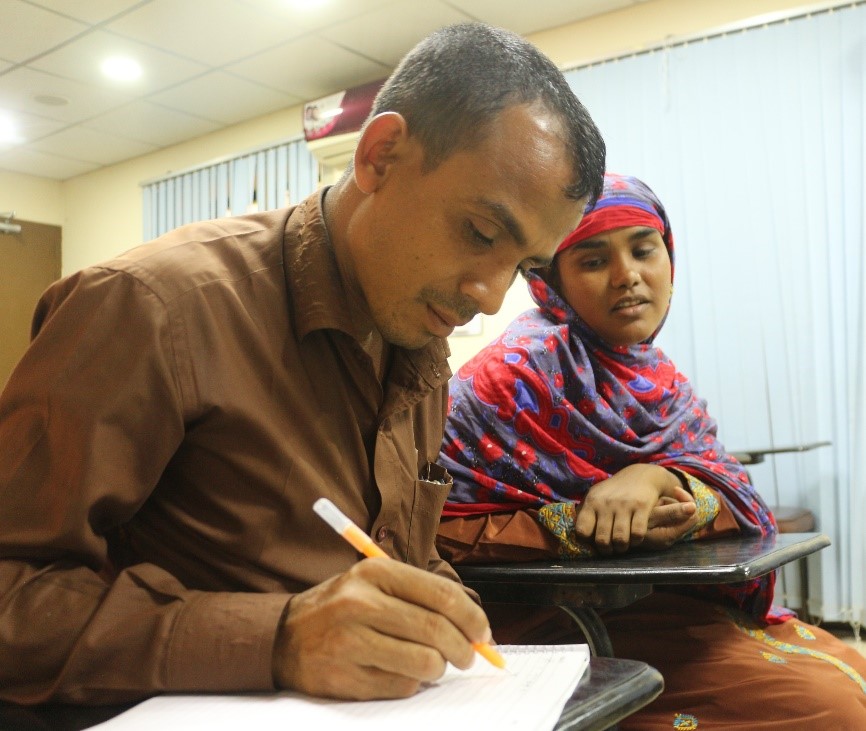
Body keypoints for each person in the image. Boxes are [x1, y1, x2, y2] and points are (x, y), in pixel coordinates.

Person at [0, 23, 606, 705]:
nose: (490, 297)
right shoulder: (152, 308)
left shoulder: (418, 341)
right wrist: (278, 637)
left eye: (522, 268)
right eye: (481, 233)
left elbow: (396, 551)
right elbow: (11, 592)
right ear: (380, 155)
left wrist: (436, 605)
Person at [437, 173, 866, 728]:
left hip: (665, 602)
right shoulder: (511, 376)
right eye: (592, 261)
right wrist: (582, 525)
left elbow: (733, 492)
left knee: (849, 671)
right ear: (552, 281)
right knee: (827, 710)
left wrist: (661, 481)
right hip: (547, 623)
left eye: (644, 250)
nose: (628, 277)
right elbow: (426, 531)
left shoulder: (656, 377)